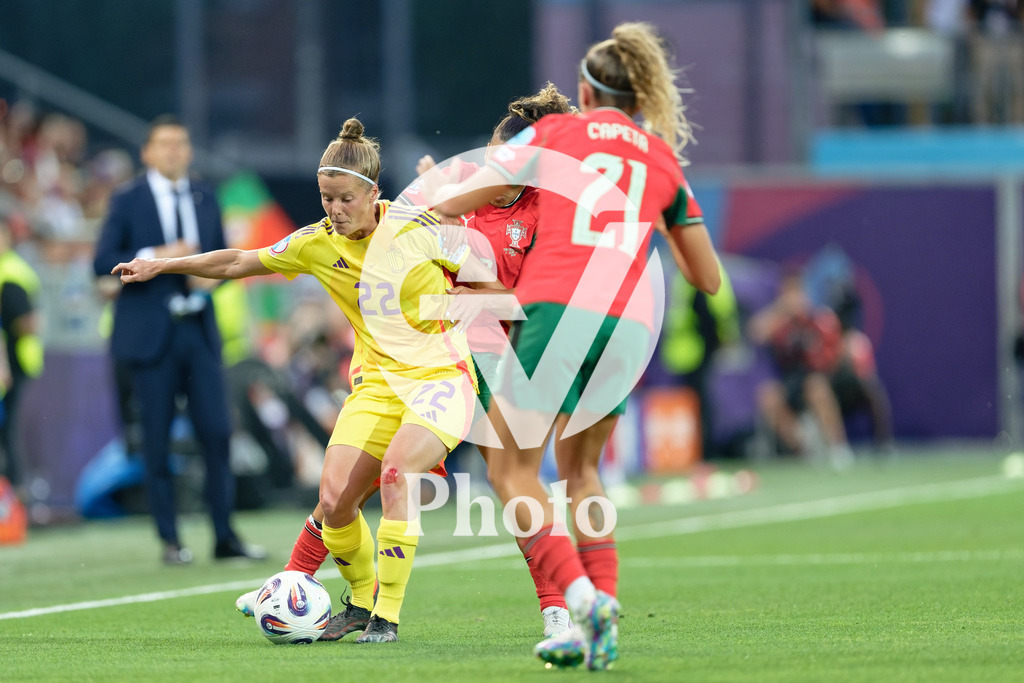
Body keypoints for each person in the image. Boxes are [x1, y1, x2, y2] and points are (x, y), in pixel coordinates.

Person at [112, 117, 497, 643]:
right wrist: (163, 266)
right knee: (335, 499)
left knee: (394, 474)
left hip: (441, 376)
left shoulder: (417, 227)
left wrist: (461, 305)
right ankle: (359, 603)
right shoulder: (317, 243)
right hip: (379, 383)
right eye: (325, 198)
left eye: (344, 199)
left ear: (373, 193)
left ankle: (387, 614)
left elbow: (493, 284)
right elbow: (238, 261)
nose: (334, 210)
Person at [234, 84, 582, 640]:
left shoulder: (547, 211)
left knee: (511, 484)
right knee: (352, 485)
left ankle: (557, 609)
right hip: (435, 359)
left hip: (501, 358)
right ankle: (294, 582)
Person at [427, 22, 722, 670]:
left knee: (511, 470)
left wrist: (434, 196)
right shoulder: (661, 156)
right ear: (638, 95)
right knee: (583, 470)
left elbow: (488, 191)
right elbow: (708, 278)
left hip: (559, 310)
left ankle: (580, 595)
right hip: (629, 326)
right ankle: (604, 613)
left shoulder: (553, 133)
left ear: (585, 92)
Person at [92, 115, 266, 565]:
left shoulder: (205, 195)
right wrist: (156, 257)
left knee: (217, 432)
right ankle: (170, 540)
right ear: (146, 152)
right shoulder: (128, 198)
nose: (173, 151)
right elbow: (102, 261)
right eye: (164, 144)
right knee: (156, 437)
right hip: (151, 334)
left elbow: (225, 260)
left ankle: (225, 535)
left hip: (198, 330)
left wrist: (214, 283)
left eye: (181, 144)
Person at [747, 268, 853, 467]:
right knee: (768, 396)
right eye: (788, 294)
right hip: (790, 381)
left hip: (819, 378)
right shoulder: (780, 323)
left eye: (796, 293)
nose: (793, 299)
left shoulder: (818, 318)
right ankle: (804, 448)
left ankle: (838, 448)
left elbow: (833, 354)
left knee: (815, 387)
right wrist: (780, 310)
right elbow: (755, 332)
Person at [0, 208, 44, 491]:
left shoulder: (10, 272)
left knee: (7, 431)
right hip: (15, 363)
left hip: (12, 365)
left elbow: (29, 323)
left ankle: (13, 497)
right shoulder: (15, 267)